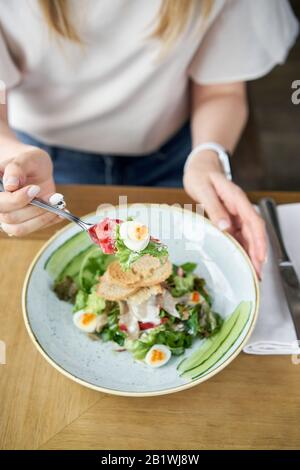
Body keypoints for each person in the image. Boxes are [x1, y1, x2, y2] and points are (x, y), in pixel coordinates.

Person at [0, 0, 298, 278]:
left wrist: (207, 155)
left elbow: (221, 92)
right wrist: (11, 158)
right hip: (42, 164)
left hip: (178, 158)